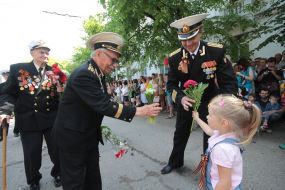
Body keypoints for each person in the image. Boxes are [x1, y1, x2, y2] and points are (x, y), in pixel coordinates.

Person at [52, 32, 162, 190]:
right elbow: (103, 105)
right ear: (98, 54)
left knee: (93, 180)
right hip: (73, 139)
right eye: (113, 59)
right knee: (75, 183)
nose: (115, 64)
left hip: (86, 135)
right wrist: (138, 111)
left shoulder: (97, 74)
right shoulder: (84, 74)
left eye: (117, 60)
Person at [161, 13, 238, 175]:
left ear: (200, 32)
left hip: (210, 100)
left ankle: (208, 168)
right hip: (187, 101)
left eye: (192, 38)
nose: (188, 44)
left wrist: (224, 106)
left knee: (210, 136)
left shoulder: (215, 51)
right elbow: (171, 85)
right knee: (180, 133)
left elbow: (228, 83)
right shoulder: (175, 58)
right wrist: (181, 98)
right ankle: (175, 162)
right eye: (183, 40)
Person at [1, 40, 62, 190]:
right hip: (29, 119)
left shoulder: (54, 72)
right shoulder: (19, 69)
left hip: (51, 117)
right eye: (41, 51)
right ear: (32, 53)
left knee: (57, 149)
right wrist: (5, 111)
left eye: (47, 52)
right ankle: (33, 179)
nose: (45, 54)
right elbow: (8, 93)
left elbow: (57, 97)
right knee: (31, 154)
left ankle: (59, 173)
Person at [192, 95, 261, 190]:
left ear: (224, 123)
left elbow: (225, 183)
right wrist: (197, 118)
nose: (207, 116)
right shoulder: (223, 133)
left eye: (210, 115)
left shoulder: (223, 149)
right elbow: (208, 130)